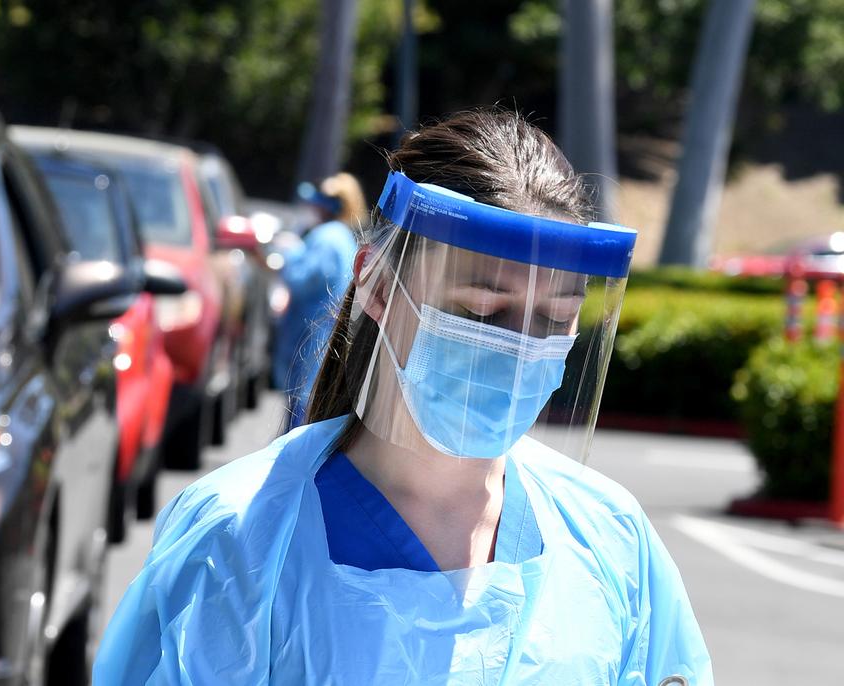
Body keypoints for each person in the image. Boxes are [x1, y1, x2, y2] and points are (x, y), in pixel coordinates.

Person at [94, 110, 713, 685]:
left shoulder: (609, 538)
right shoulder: (241, 538)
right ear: (378, 286)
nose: (521, 348)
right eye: (482, 309)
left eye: (554, 319)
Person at [272, 172, 365, 429]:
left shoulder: (327, 238)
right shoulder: (341, 237)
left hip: (311, 339)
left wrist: (291, 253)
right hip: (320, 338)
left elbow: (301, 280)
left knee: (299, 417)